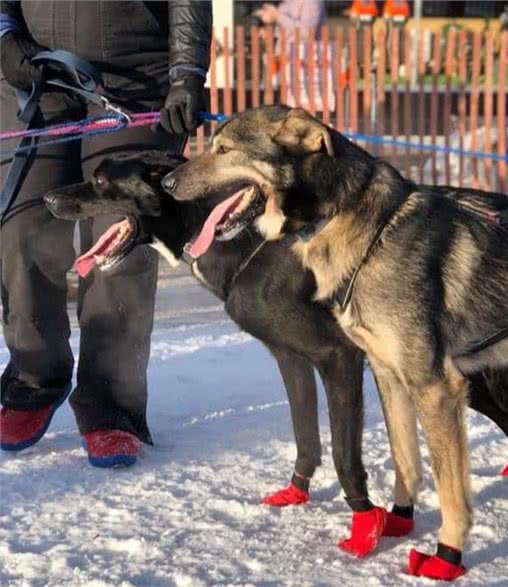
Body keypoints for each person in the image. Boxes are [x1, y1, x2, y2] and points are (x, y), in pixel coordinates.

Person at [0, 1, 212, 467]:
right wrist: (4, 33)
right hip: (39, 72)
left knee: (120, 233)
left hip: (135, 74)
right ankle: (34, 377)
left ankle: (112, 403)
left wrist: (187, 73)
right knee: (21, 225)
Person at [255, 0, 333, 111]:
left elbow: (307, 33)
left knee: (299, 116)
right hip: (281, 67)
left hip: (302, 70)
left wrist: (277, 15)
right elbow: (286, 32)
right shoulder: (285, 3)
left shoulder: (312, 2)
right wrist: (267, 31)